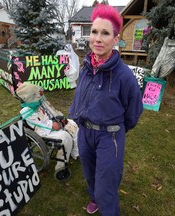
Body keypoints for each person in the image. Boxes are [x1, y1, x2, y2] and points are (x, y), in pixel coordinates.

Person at [68, 4, 143, 215]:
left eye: (105, 33)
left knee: (106, 186)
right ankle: (94, 198)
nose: (98, 38)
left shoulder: (123, 75)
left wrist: (117, 129)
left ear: (115, 39)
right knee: (90, 174)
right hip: (85, 132)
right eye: (94, 31)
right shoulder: (87, 66)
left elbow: (134, 110)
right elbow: (81, 95)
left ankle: (105, 204)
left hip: (109, 137)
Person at [16, 82, 79, 172]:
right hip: (44, 132)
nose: (40, 96)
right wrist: (52, 125)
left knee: (72, 124)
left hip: (51, 124)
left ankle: (75, 152)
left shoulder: (39, 102)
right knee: (65, 137)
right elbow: (39, 127)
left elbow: (52, 112)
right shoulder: (26, 112)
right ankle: (60, 167)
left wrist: (60, 119)